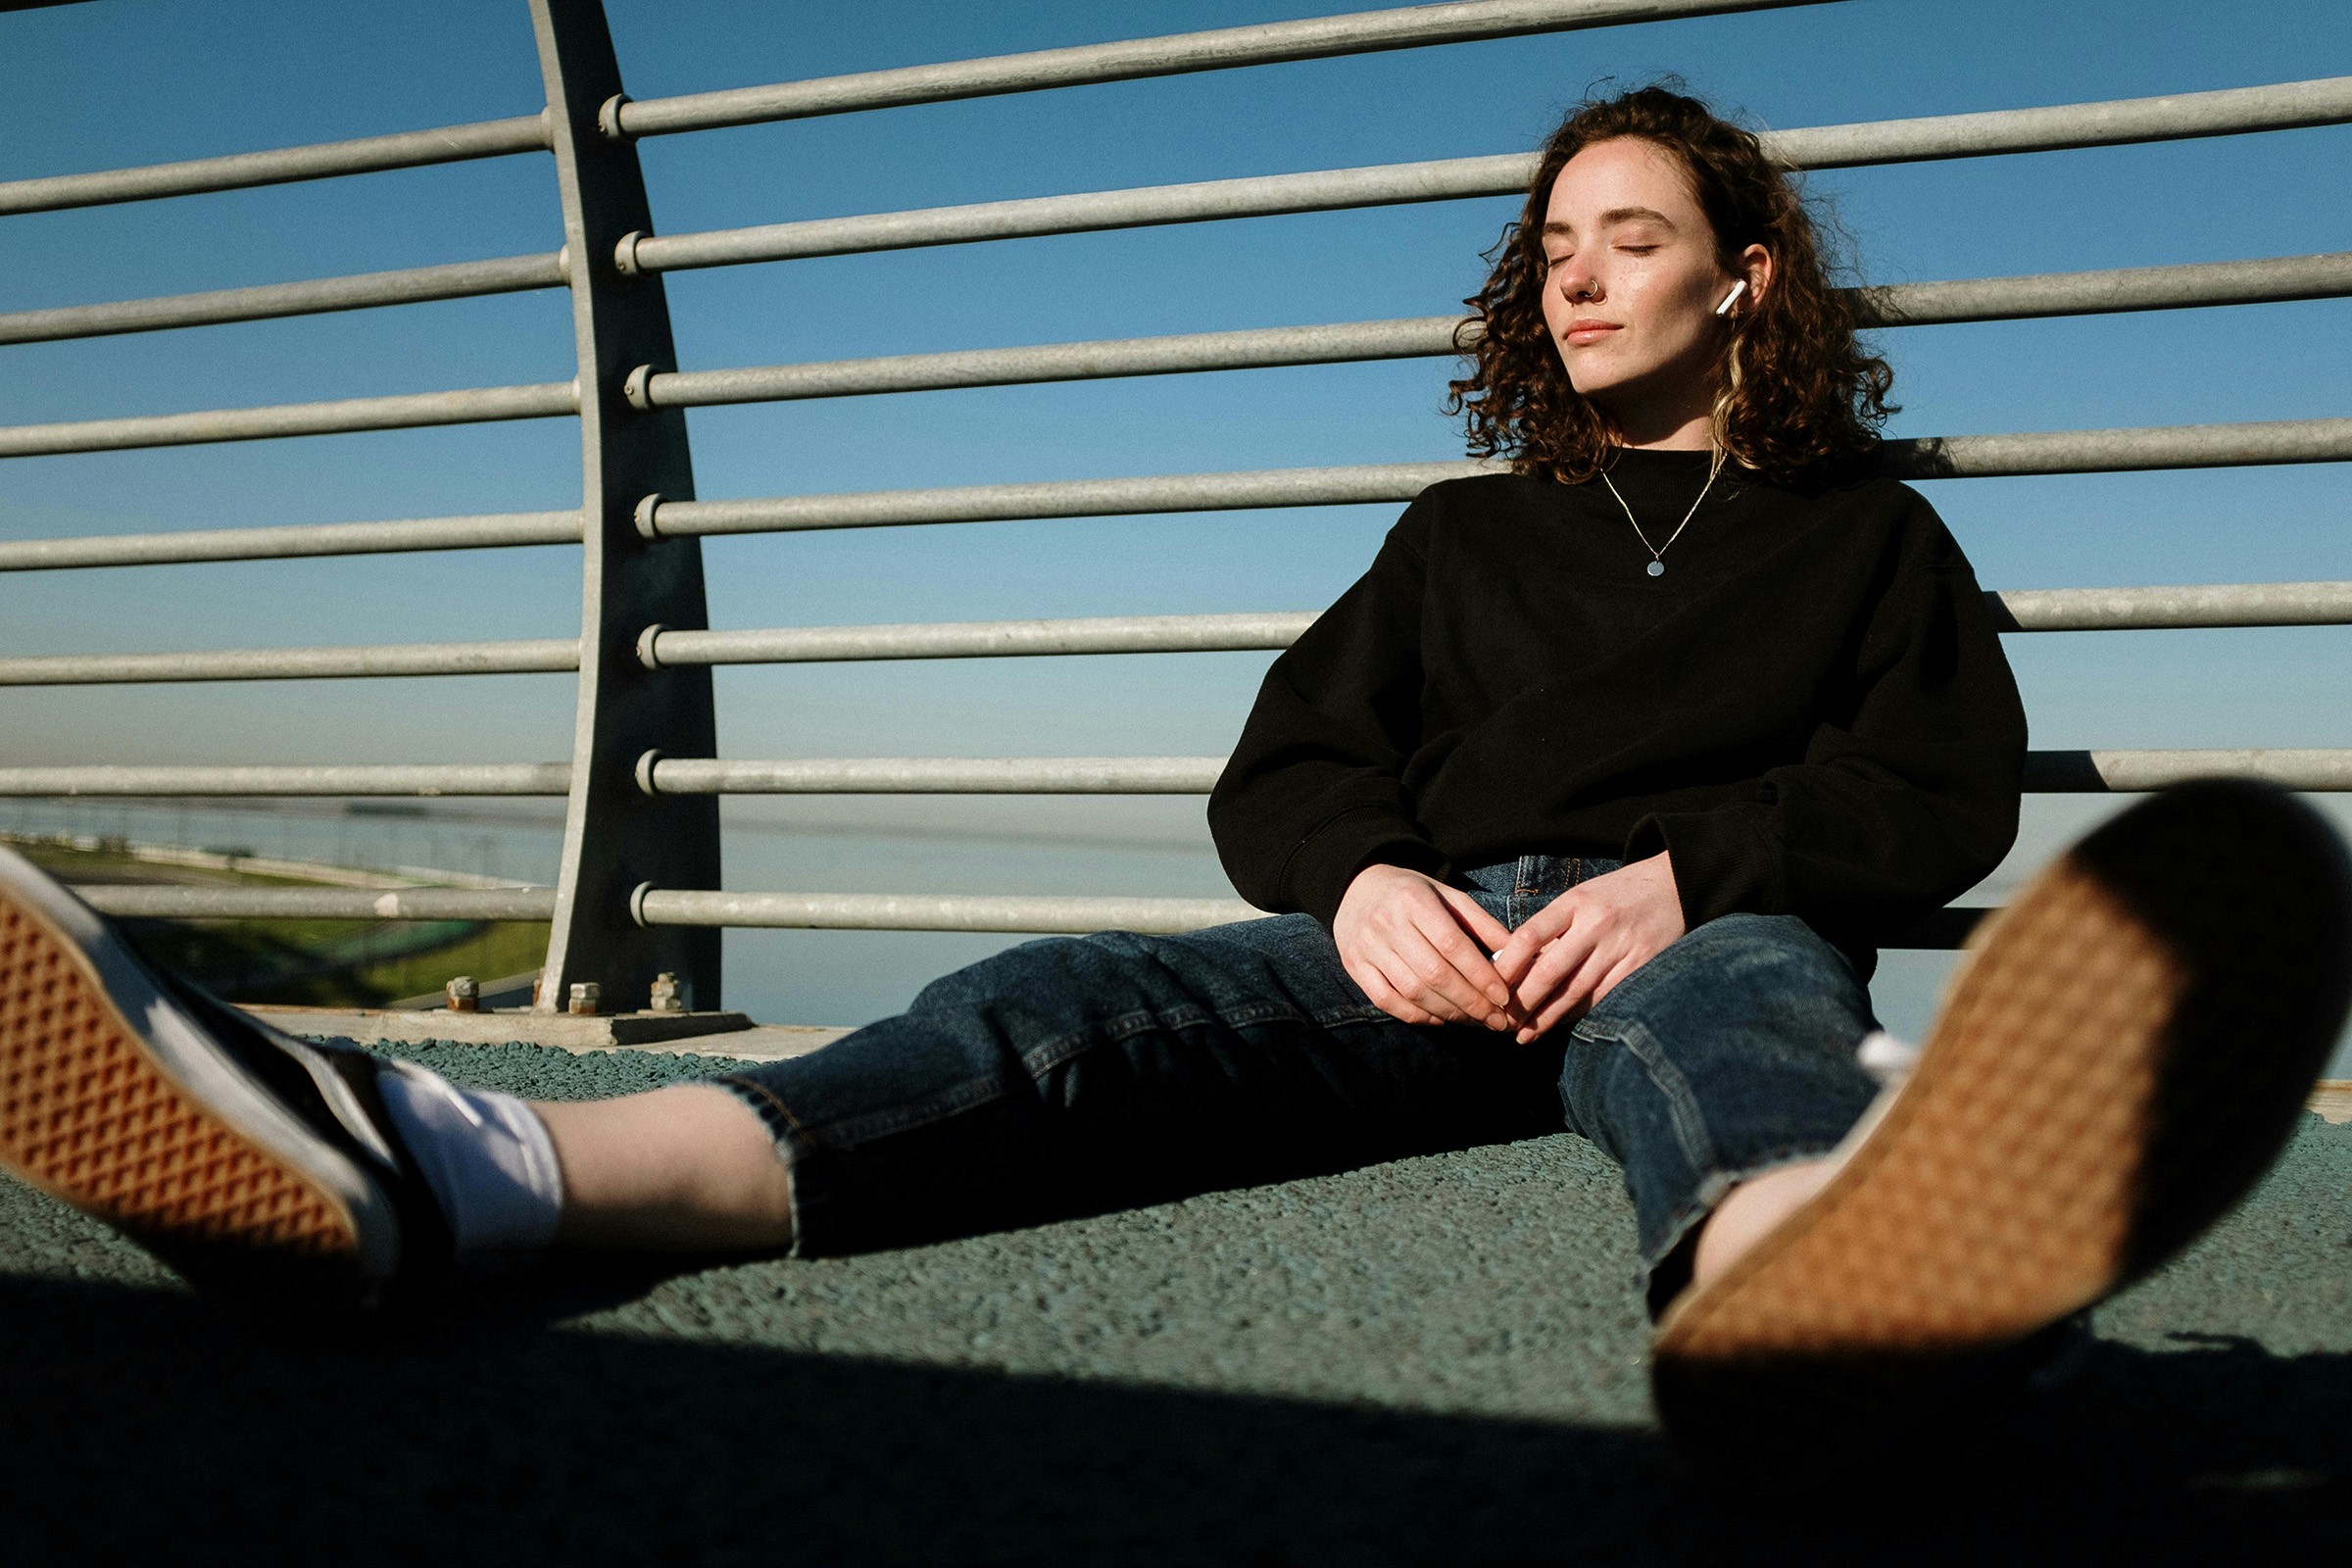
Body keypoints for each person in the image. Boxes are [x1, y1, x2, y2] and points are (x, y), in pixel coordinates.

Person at [1, 87, 2344, 1485]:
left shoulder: (1871, 538)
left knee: (1743, 1036)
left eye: (1634, 238)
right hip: (1419, 945)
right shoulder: (1461, 537)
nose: (1580, 278)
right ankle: (461, 1169)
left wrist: (1685, 872)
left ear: (1750, 279)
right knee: (1070, 1012)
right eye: (1553, 247)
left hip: (1692, 930)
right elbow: (1288, 766)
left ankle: (1811, 1305)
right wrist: (1364, 889)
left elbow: (1932, 793)